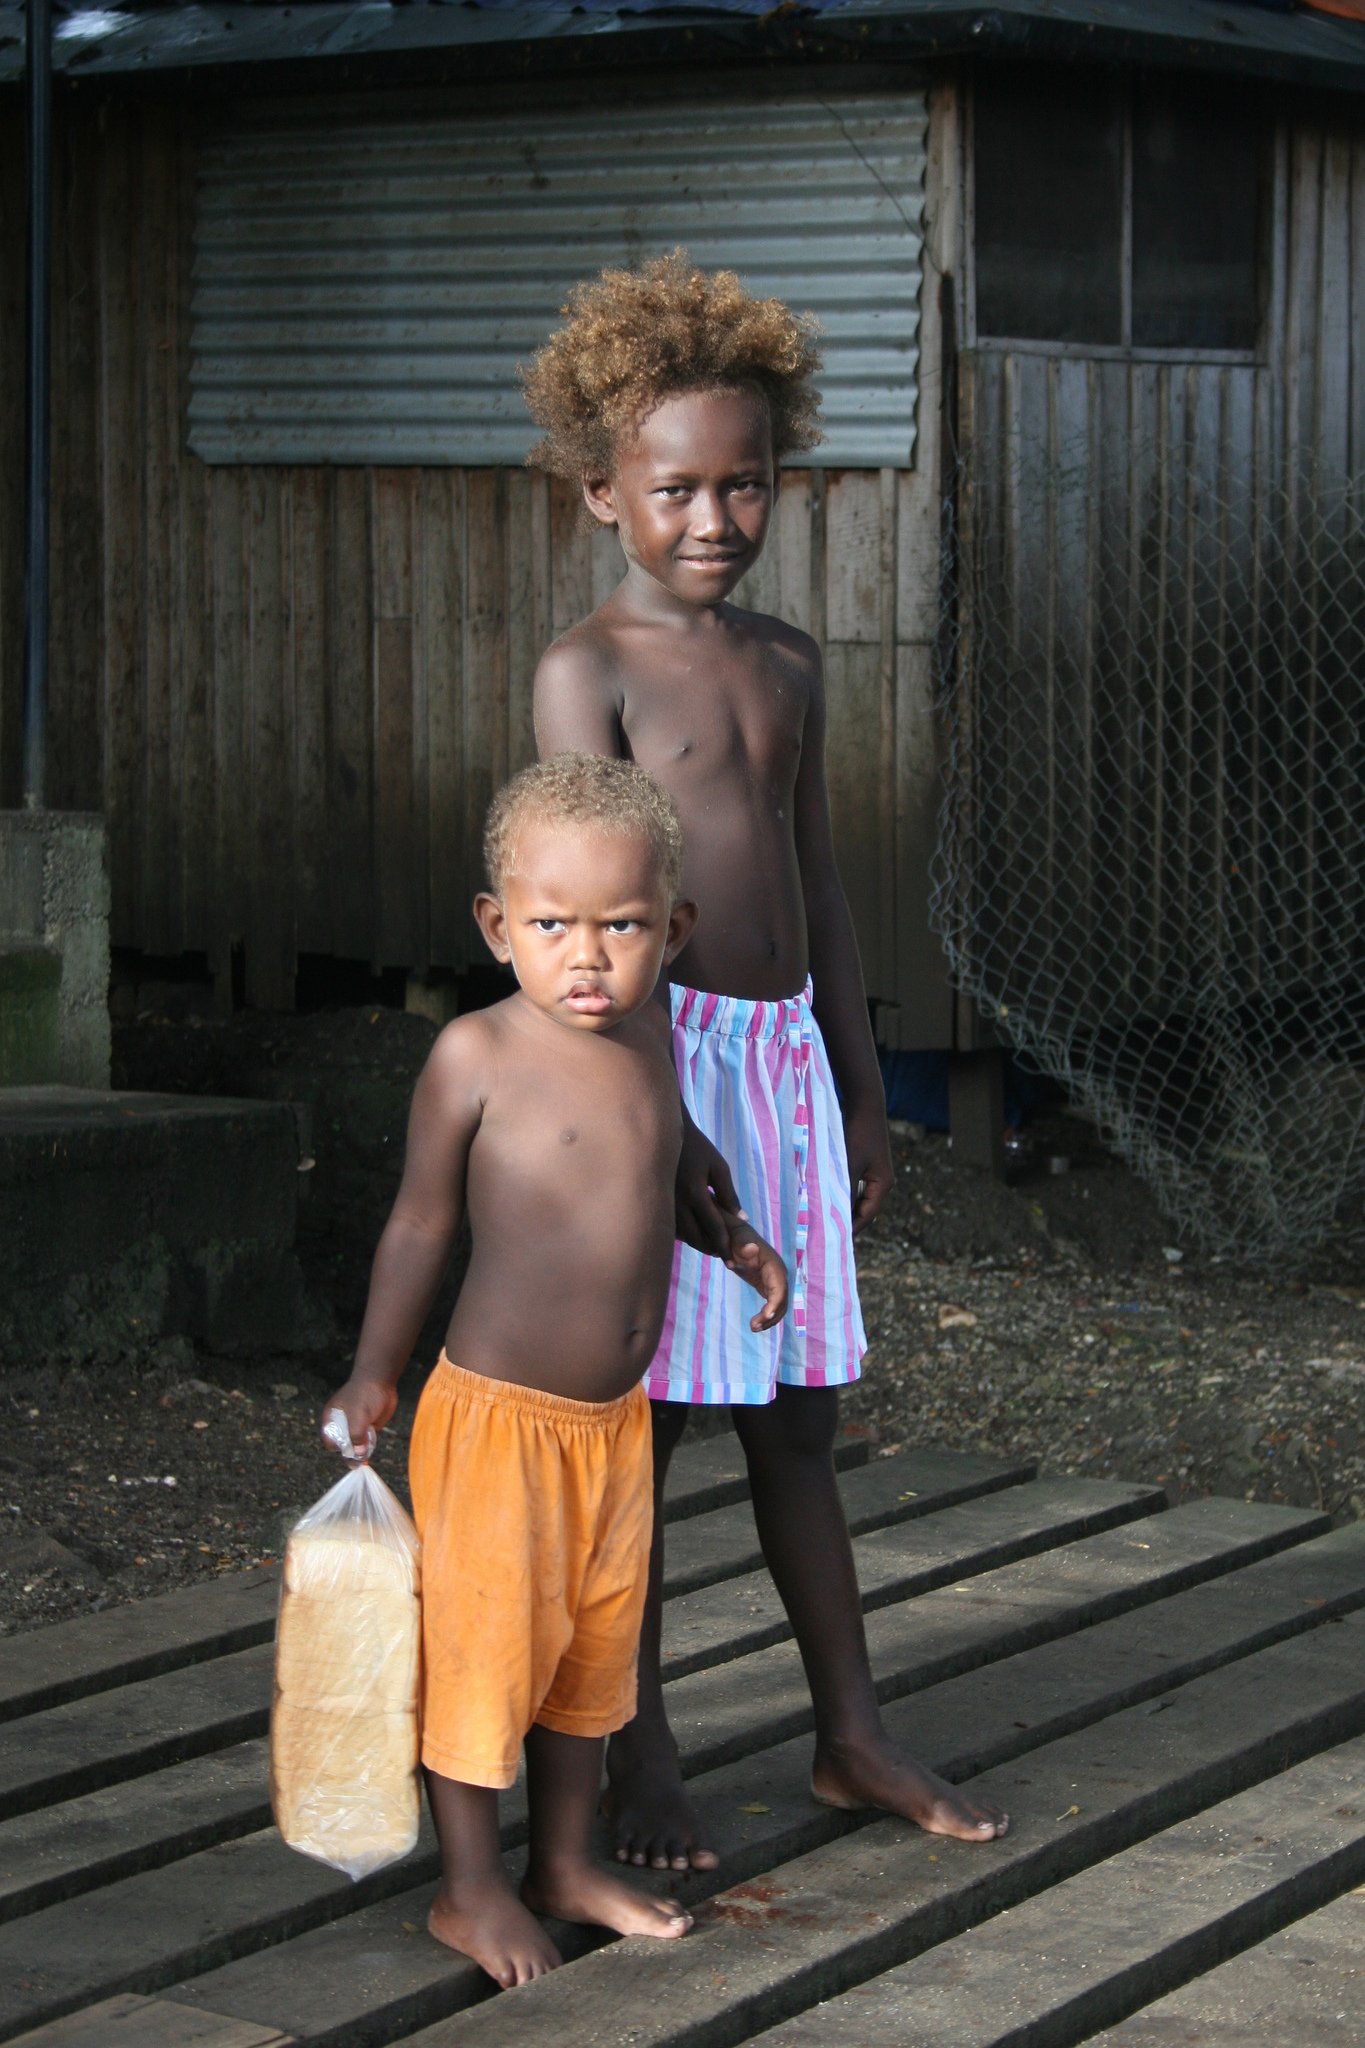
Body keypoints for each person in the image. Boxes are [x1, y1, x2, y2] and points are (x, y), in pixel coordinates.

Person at [526, 253, 1010, 1874]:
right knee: (645, 1428)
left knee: (800, 1422)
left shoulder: (791, 664)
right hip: (653, 1070)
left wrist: (866, 1087)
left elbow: (815, 888)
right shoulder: (584, 670)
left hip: (787, 1067)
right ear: (605, 489)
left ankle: (849, 1733)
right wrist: (658, 1127)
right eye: (677, 488)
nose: (715, 517)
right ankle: (636, 1747)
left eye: (746, 483)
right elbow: (589, 923)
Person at [320, 754, 788, 1990]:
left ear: (673, 930)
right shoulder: (475, 1054)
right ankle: (471, 1885)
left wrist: (735, 1238)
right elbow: (421, 1224)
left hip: (610, 1424)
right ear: (496, 923)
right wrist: (375, 1372)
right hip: (498, 1421)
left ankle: (565, 1857)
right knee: (487, 1648)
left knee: (594, 1652)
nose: (587, 955)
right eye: (550, 924)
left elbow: (676, 1169)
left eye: (623, 925)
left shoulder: (651, 1039)